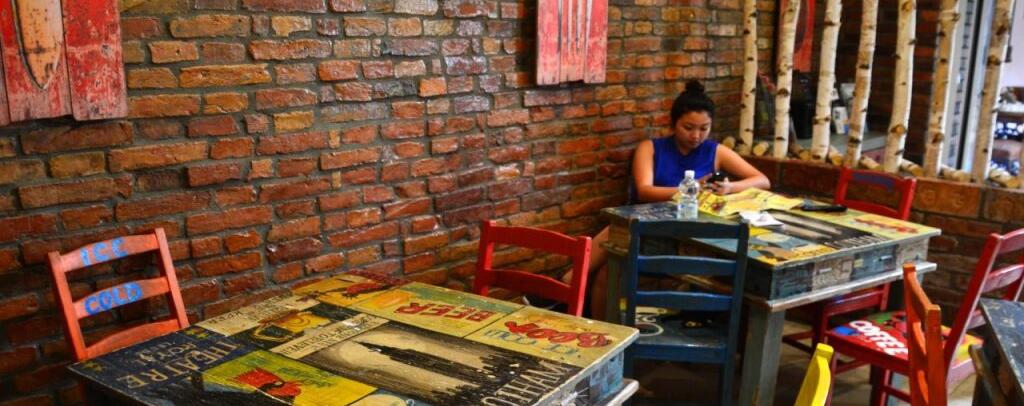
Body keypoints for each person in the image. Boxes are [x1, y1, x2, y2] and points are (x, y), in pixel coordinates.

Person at [583, 80, 771, 319]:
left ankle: (570, 280)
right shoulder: (651, 148)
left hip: (695, 234)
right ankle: (586, 307)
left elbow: (762, 180)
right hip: (652, 230)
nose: (696, 136)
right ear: (672, 123)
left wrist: (729, 187)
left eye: (704, 128)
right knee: (607, 271)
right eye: (688, 127)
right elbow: (645, 191)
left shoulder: (715, 151)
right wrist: (691, 189)